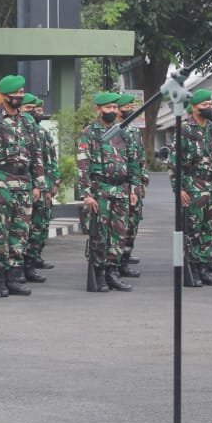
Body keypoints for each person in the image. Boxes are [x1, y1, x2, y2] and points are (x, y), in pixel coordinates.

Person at [0, 75, 42, 297]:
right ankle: (0, 277)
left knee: (20, 232)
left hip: (24, 183)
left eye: (22, 92)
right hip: (1, 182)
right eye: (16, 93)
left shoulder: (28, 121)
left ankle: (15, 277)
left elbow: (36, 154)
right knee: (0, 234)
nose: (20, 96)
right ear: (5, 96)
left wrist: (38, 183)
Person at [77, 92, 138, 292]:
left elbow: (133, 163)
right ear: (98, 110)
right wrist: (86, 194)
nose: (112, 111)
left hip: (121, 189)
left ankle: (113, 273)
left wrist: (134, 189)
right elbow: (82, 165)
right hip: (100, 190)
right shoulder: (89, 133)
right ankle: (99, 274)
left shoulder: (123, 133)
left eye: (114, 107)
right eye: (108, 108)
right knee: (100, 236)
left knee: (119, 233)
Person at [173, 88, 212, 287]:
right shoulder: (184, 129)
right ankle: (193, 270)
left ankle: (204, 269)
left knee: (210, 230)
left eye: (211, 105)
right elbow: (175, 164)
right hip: (193, 188)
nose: (209, 108)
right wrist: (179, 189)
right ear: (194, 107)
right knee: (193, 231)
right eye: (205, 105)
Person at [20, 94, 57, 281]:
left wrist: (53, 183)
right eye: (29, 108)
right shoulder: (19, 131)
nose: (33, 112)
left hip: (42, 185)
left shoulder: (42, 133)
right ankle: (23, 265)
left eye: (35, 109)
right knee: (24, 228)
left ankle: (33, 259)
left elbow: (50, 160)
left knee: (40, 225)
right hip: (23, 185)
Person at [116, 94, 146, 276]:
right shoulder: (112, 131)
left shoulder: (134, 132)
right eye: (127, 107)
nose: (130, 110)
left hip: (133, 186)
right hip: (116, 187)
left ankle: (125, 260)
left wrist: (142, 183)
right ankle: (114, 263)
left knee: (132, 225)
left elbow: (140, 161)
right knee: (118, 228)